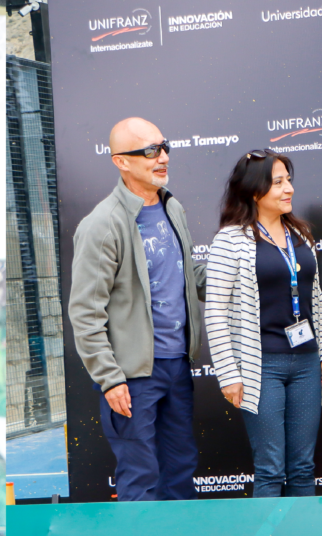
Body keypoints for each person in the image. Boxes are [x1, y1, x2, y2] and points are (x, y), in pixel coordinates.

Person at [68, 117, 206, 501]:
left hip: (176, 365)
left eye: (164, 147)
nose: (161, 157)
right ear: (121, 162)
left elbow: (186, 274)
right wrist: (110, 378)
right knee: (140, 478)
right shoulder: (102, 225)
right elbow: (85, 312)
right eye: (149, 151)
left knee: (179, 473)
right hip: (131, 377)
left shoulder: (171, 207)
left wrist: (239, 273)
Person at [205, 149, 322, 497]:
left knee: (303, 468)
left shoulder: (302, 237)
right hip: (260, 367)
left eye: (288, 180)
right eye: (277, 182)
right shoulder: (230, 241)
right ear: (253, 190)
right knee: (270, 469)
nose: (288, 189)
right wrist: (229, 374)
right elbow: (215, 312)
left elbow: (316, 301)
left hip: (307, 364)